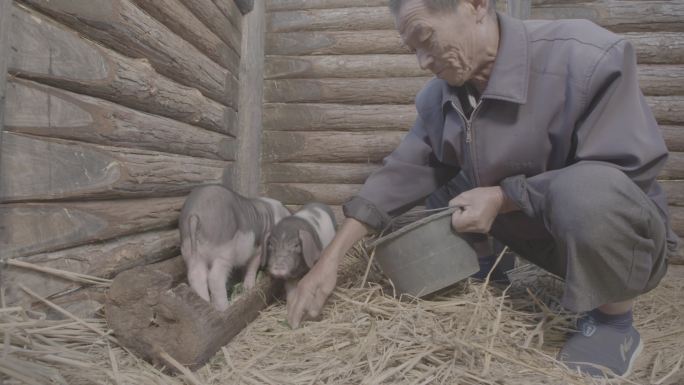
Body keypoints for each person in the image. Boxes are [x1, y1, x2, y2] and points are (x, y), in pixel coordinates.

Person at [286, 0, 679, 378]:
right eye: (413, 51)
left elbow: (624, 177)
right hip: (541, 236)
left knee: (590, 192)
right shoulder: (440, 96)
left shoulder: (586, 56)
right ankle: (489, 266)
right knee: (441, 171)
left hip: (623, 241)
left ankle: (613, 323)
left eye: (426, 39)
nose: (424, 62)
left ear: (475, 5)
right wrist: (330, 261)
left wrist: (502, 198)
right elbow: (403, 171)